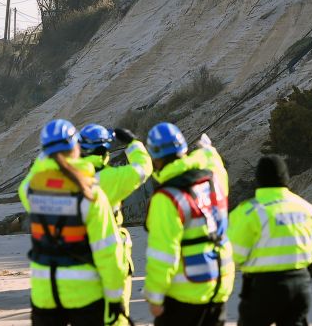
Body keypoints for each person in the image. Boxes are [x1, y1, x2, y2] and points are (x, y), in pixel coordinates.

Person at [19, 119, 127, 326]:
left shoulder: (31, 189)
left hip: (45, 292)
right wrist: (115, 297)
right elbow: (108, 252)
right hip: (85, 293)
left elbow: (35, 174)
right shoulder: (91, 194)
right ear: (76, 147)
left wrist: (46, 158)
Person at [143, 122, 233, 326]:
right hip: (220, 283)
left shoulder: (167, 198)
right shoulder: (214, 180)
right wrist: (207, 150)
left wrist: (155, 296)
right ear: (184, 149)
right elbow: (213, 161)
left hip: (187, 290)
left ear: (155, 158)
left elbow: (163, 253)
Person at [228, 155, 312, 326]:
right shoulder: (307, 209)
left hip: (263, 287)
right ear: (286, 177)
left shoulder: (248, 212)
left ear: (258, 179)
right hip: (300, 284)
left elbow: (235, 253)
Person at [78, 124, 152, 324]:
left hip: (73, 256)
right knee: (116, 316)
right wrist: (133, 143)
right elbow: (143, 168)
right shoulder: (111, 179)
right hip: (111, 252)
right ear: (106, 150)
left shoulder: (66, 179)